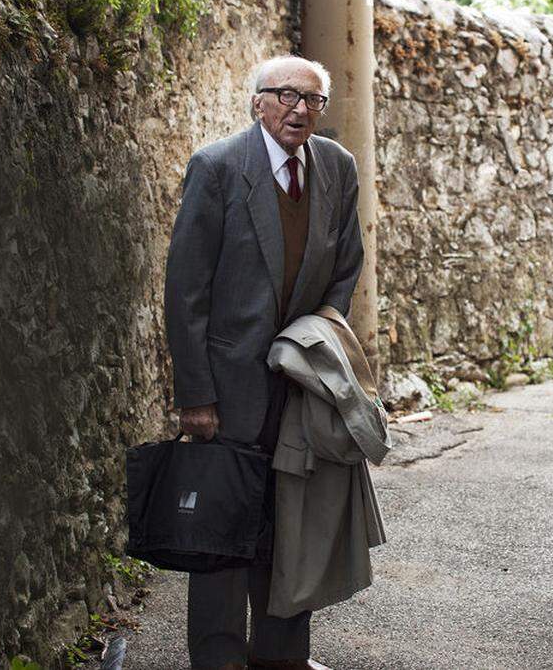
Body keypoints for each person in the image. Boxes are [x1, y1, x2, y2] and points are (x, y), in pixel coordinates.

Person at [163, 55, 364, 670]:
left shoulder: (336, 167)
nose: (299, 110)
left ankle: (282, 658)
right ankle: (218, 659)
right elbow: (186, 290)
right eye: (285, 96)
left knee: (292, 528)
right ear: (259, 103)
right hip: (228, 389)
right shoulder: (218, 168)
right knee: (225, 531)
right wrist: (196, 396)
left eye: (311, 100)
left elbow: (346, 266)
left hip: (299, 387)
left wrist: (316, 345)